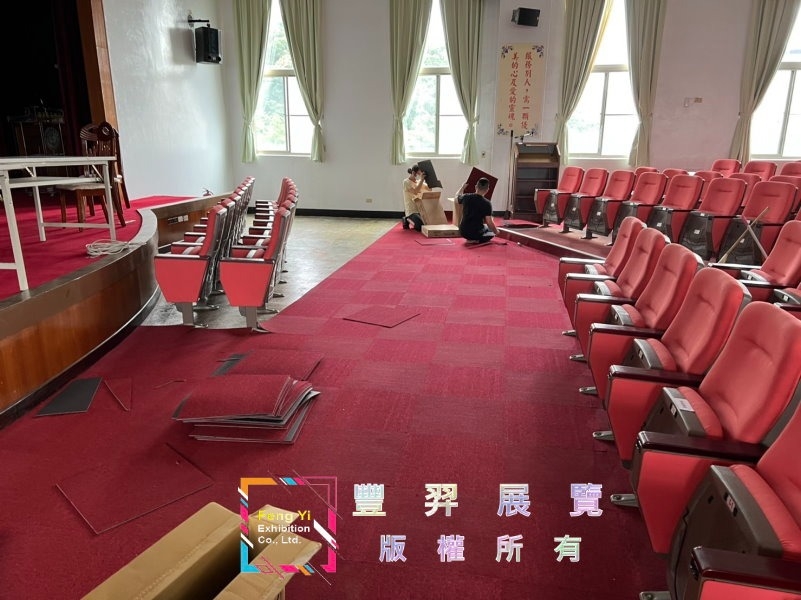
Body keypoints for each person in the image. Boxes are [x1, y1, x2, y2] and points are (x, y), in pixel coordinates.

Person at [456, 177, 499, 244]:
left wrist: (462, 187)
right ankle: (476, 240)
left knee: (486, 227)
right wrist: (496, 232)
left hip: (463, 232)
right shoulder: (487, 203)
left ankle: (471, 239)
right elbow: (489, 222)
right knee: (491, 231)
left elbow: (456, 197)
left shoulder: (466, 197)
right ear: (487, 190)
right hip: (476, 233)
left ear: (476, 187)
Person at [402, 164, 429, 231]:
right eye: (419, 173)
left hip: (420, 209)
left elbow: (429, 189)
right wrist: (422, 180)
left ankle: (412, 219)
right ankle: (406, 219)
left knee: (427, 224)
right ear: (414, 173)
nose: (420, 175)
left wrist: (429, 179)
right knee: (420, 226)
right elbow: (415, 191)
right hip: (411, 210)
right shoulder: (406, 182)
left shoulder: (419, 182)